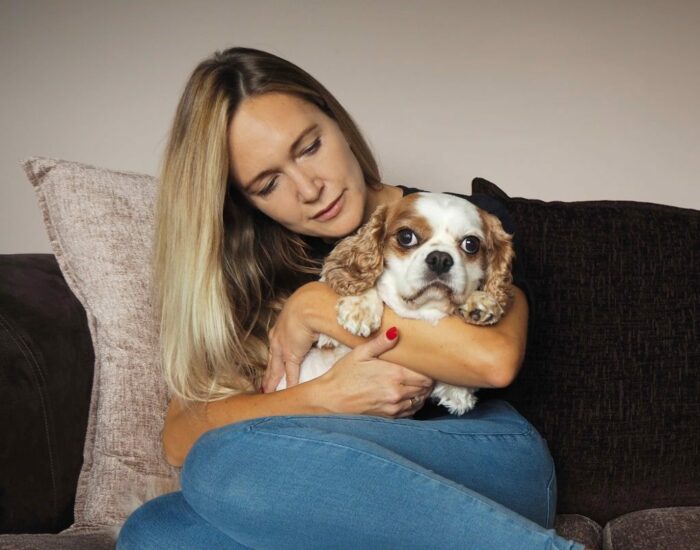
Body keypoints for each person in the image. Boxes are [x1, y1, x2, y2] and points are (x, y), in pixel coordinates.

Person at [117, 46, 586, 549]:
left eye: (309, 147)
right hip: (336, 476)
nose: (310, 188)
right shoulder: (255, 272)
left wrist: (315, 307)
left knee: (220, 463)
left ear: (335, 120)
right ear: (242, 200)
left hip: (483, 455)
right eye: (269, 182)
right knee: (154, 531)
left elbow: (492, 361)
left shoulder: (455, 220)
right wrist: (324, 397)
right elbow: (180, 437)